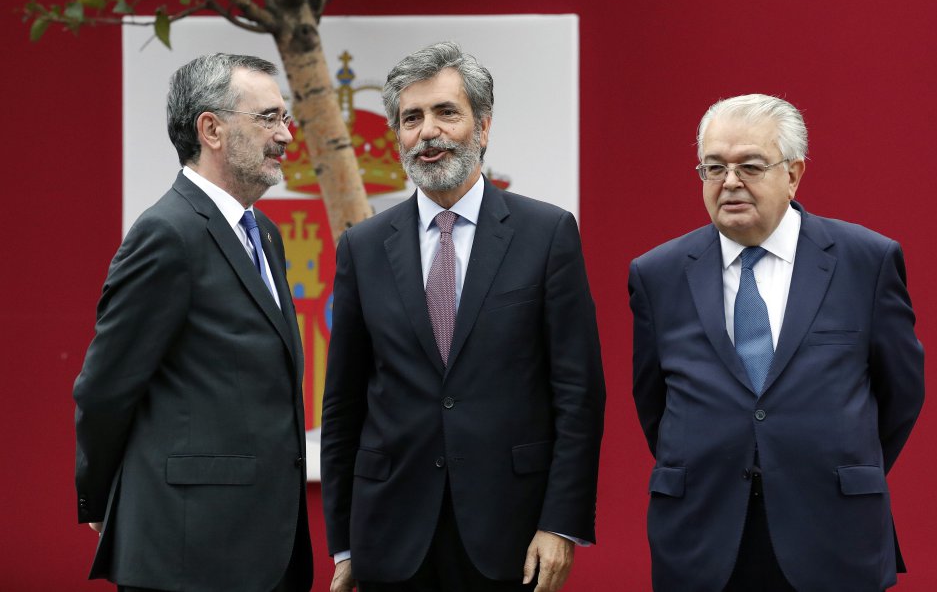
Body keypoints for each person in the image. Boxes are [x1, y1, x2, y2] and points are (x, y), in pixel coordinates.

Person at [320, 42, 605, 592]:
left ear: (483, 126)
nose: (428, 132)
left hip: (513, 536)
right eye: (412, 118)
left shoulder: (547, 235)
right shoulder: (362, 246)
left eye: (446, 112)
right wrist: (345, 541)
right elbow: (344, 405)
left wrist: (560, 524)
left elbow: (579, 395)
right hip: (390, 537)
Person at [628, 94, 924, 592]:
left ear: (794, 173)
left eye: (750, 166)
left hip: (833, 532)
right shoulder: (657, 273)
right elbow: (653, 401)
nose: (730, 182)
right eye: (714, 167)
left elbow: (901, 395)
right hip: (703, 535)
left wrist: (835, 462)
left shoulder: (865, 261)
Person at [73, 53, 313, 592]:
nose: (287, 135)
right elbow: (105, 386)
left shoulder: (265, 233)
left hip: (263, 547)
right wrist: (101, 492)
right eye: (269, 118)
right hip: (188, 553)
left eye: (286, 118)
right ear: (212, 129)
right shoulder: (167, 233)